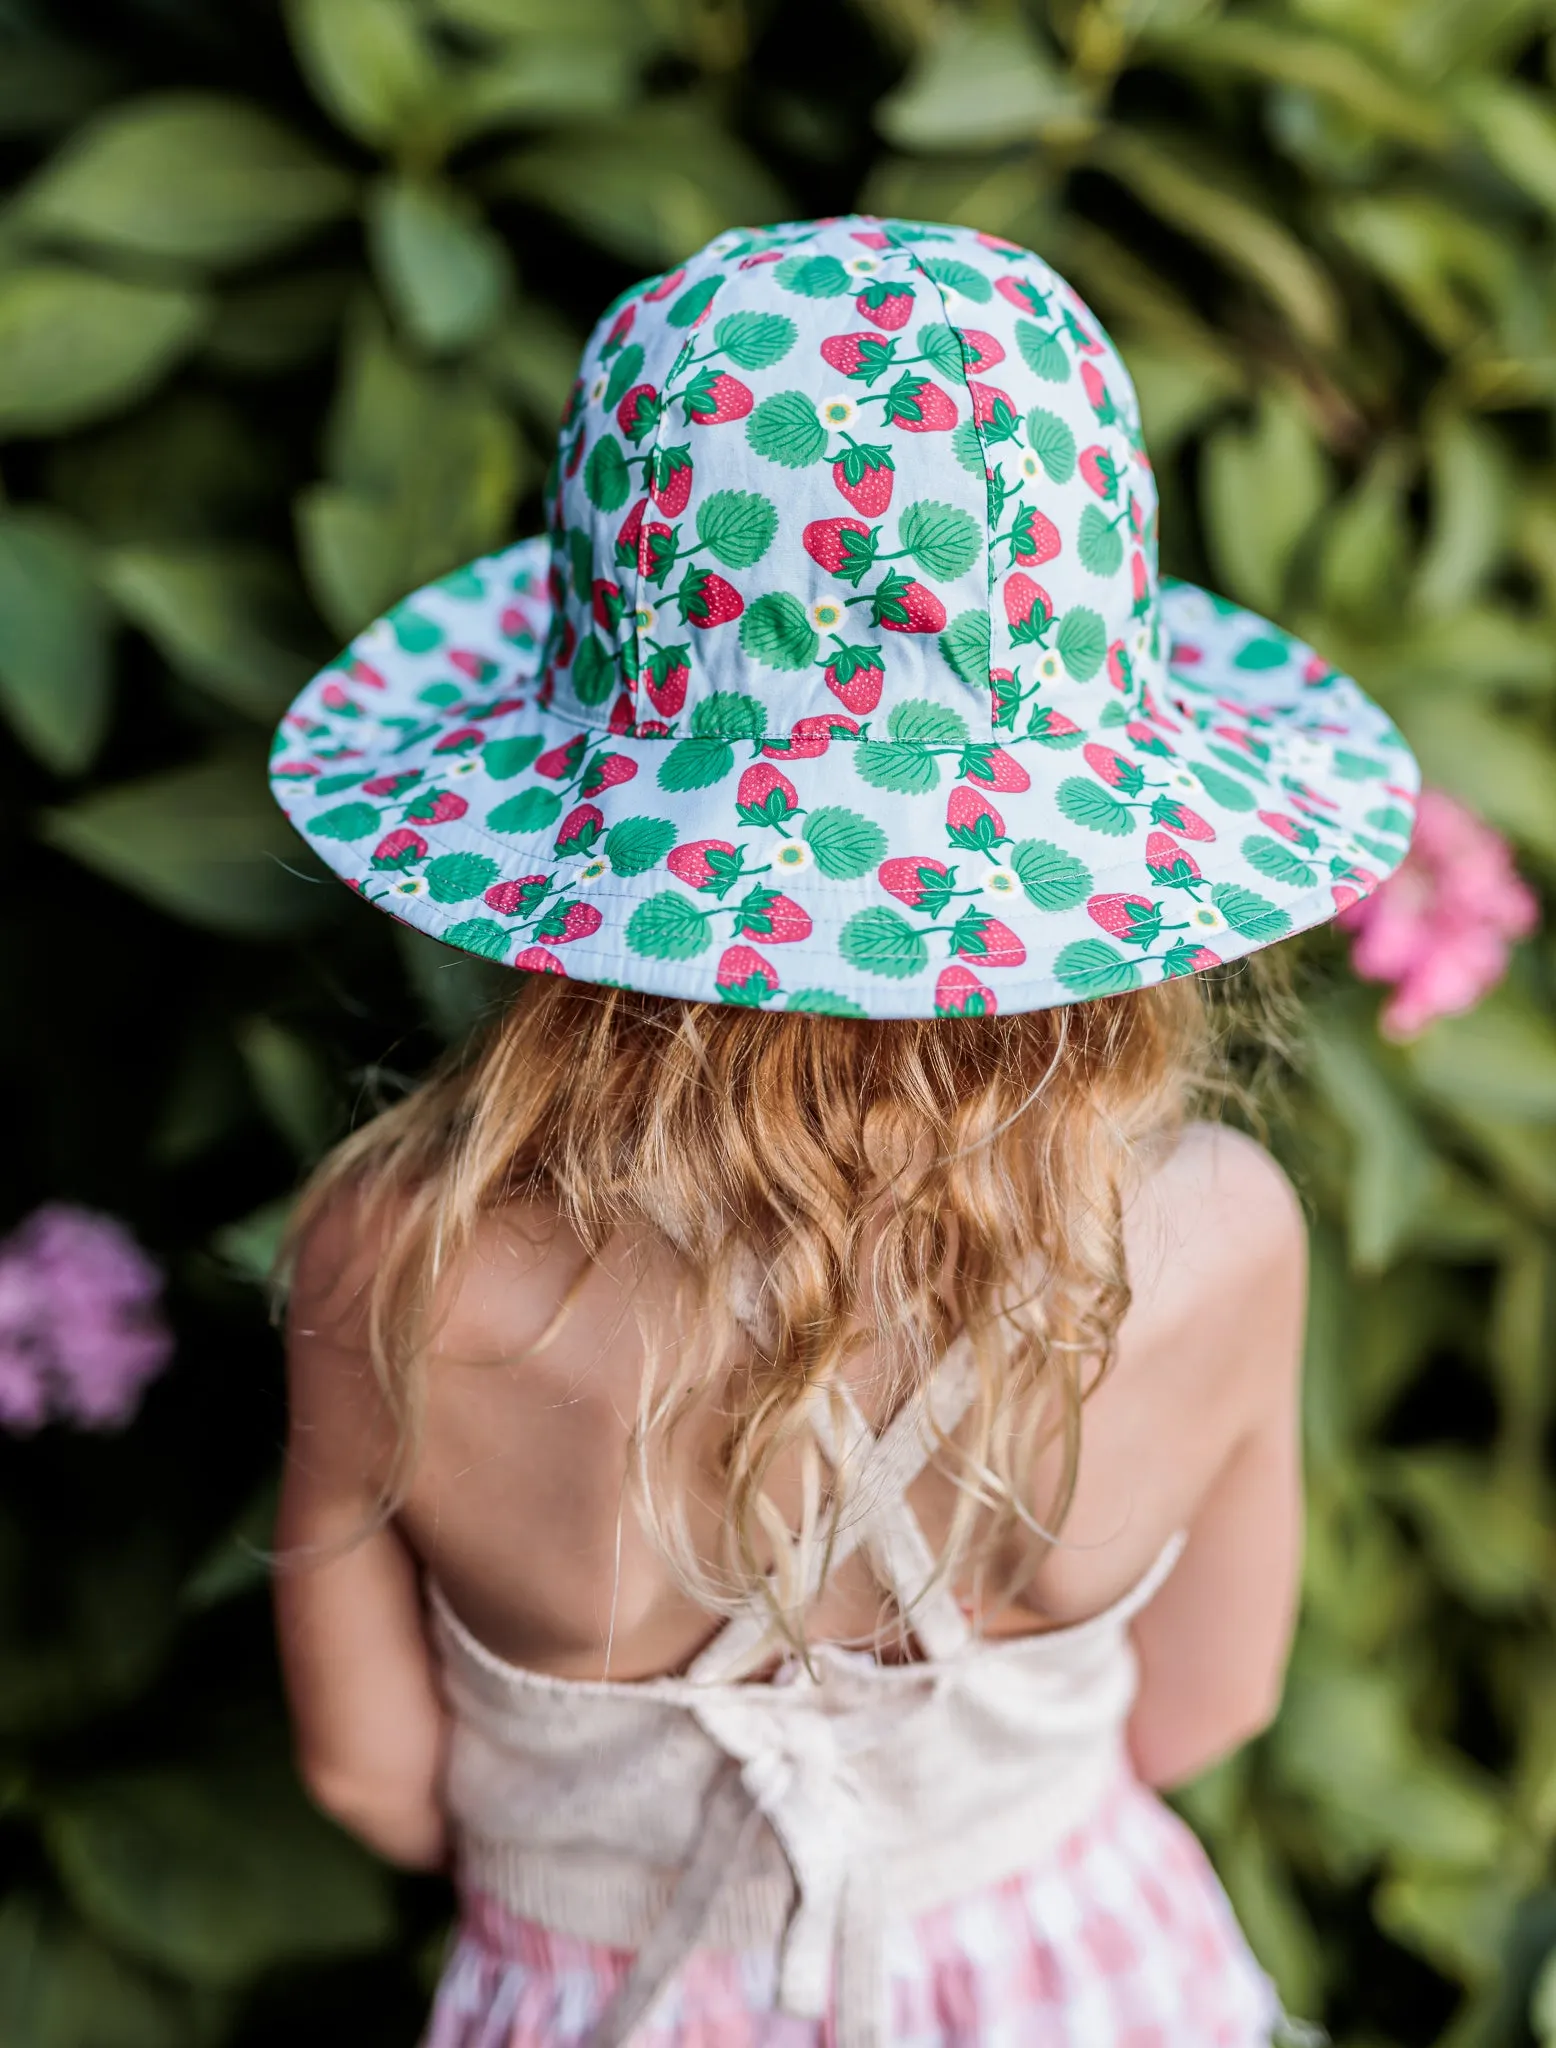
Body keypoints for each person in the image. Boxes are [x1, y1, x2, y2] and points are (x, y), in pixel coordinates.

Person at [268, 215, 1418, 2046]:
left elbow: (378, 1785)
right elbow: (1205, 1709)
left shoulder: (401, 1271)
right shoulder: (1218, 1233)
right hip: (1091, 1984)